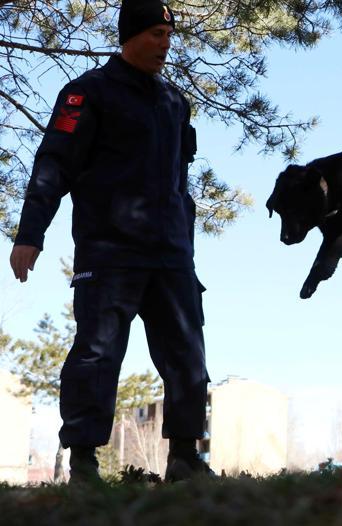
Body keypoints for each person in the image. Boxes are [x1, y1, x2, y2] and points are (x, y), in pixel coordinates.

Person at [9, 0, 213, 483]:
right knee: (96, 354)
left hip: (170, 256)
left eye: (169, 34)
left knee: (188, 354)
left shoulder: (173, 103)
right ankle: (83, 464)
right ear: (130, 36)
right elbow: (54, 164)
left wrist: (185, 242)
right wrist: (30, 234)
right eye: (156, 34)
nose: (166, 43)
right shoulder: (88, 93)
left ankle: (185, 458)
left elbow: (179, 182)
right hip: (109, 251)